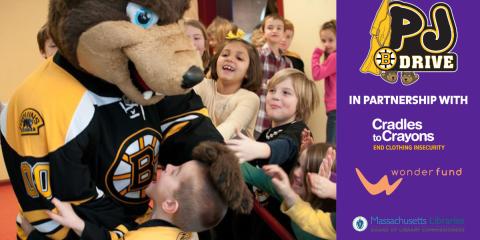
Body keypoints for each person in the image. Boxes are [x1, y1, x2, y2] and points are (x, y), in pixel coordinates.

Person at [28, 142, 253, 240]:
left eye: (175, 172)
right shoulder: (188, 229)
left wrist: (74, 225)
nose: (170, 166)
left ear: (170, 205)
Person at [227, 68, 319, 239]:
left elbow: (286, 146)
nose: (275, 96)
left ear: (302, 104)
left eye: (286, 93)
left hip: (277, 223)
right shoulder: (266, 134)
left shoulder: (300, 131)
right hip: (254, 218)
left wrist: (260, 149)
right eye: (272, 90)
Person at [241, 143, 337, 239]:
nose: (295, 172)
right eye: (298, 164)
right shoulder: (292, 191)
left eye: (307, 171)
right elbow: (251, 174)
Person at [194, 28, 262, 139]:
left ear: (248, 72)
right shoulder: (203, 85)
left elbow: (231, 127)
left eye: (239, 58)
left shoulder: (250, 98)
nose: (230, 59)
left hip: (231, 155)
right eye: (225, 55)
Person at [254, 14, 293, 137]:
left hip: (278, 116)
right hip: (258, 114)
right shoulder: (257, 54)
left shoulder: (287, 62)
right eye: (270, 27)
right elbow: (250, 83)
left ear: (283, 32)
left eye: (279, 28)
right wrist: (270, 85)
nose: (275, 30)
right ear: (263, 31)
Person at [311, 20, 337, 145]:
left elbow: (316, 74)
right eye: (323, 40)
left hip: (336, 109)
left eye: (330, 40)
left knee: (331, 147)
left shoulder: (334, 57)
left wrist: (317, 53)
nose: (326, 44)